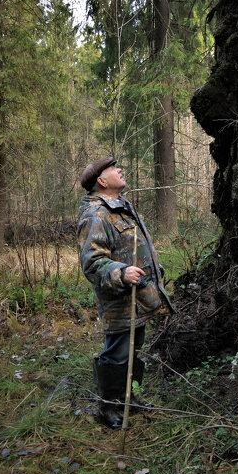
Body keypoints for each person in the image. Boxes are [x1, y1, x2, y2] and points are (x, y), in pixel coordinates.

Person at [77, 157, 174, 428]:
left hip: (139, 296)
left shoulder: (122, 207)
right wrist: (121, 272)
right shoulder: (96, 214)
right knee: (117, 352)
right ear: (102, 181)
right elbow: (92, 262)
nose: (120, 170)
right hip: (119, 299)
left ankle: (129, 398)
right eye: (113, 169)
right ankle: (108, 407)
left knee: (134, 348)